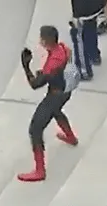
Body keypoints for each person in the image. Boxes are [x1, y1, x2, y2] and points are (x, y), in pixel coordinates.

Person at [18, 26, 79, 182]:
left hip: (54, 96)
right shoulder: (62, 48)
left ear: (46, 41)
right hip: (65, 91)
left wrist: (26, 66)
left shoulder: (53, 64)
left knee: (35, 129)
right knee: (57, 112)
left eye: (41, 38)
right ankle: (71, 138)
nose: (40, 40)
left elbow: (35, 84)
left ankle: (40, 171)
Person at [70, 0, 104, 80]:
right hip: (96, 4)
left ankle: (84, 71)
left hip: (82, 8)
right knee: (90, 25)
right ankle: (93, 55)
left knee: (78, 36)